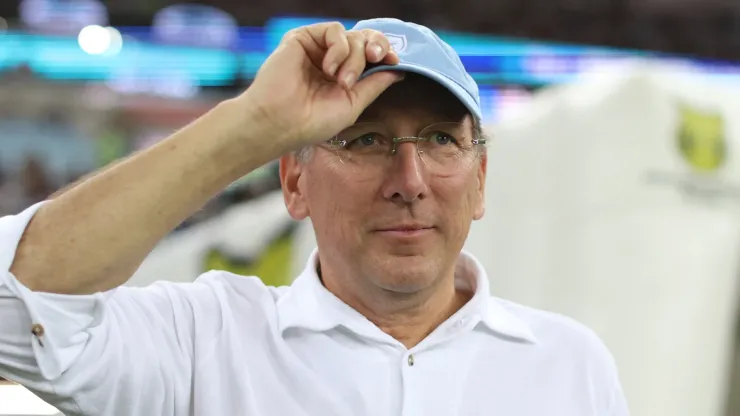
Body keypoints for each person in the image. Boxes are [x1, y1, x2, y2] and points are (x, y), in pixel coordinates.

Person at [0, 18, 629, 416]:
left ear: (480, 181)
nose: (409, 183)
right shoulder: (202, 342)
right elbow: (15, 303)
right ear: (294, 181)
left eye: (440, 140)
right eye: (365, 141)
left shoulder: (570, 363)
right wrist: (254, 124)